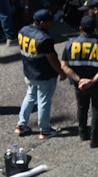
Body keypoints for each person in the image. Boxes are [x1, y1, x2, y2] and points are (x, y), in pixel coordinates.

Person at [59, 12, 98, 145]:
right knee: (97, 109)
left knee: (82, 108)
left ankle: (83, 133)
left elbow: (64, 66)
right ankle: (95, 139)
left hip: (80, 86)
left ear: (80, 29)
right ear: (96, 28)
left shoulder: (70, 45)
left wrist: (79, 80)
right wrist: (92, 81)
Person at [14, 9, 62, 137]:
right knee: (44, 101)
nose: (51, 24)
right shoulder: (45, 39)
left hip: (29, 73)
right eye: (49, 22)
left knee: (30, 97)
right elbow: (53, 59)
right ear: (42, 23)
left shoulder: (23, 31)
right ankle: (45, 130)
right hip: (44, 75)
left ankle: (21, 125)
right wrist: (61, 72)